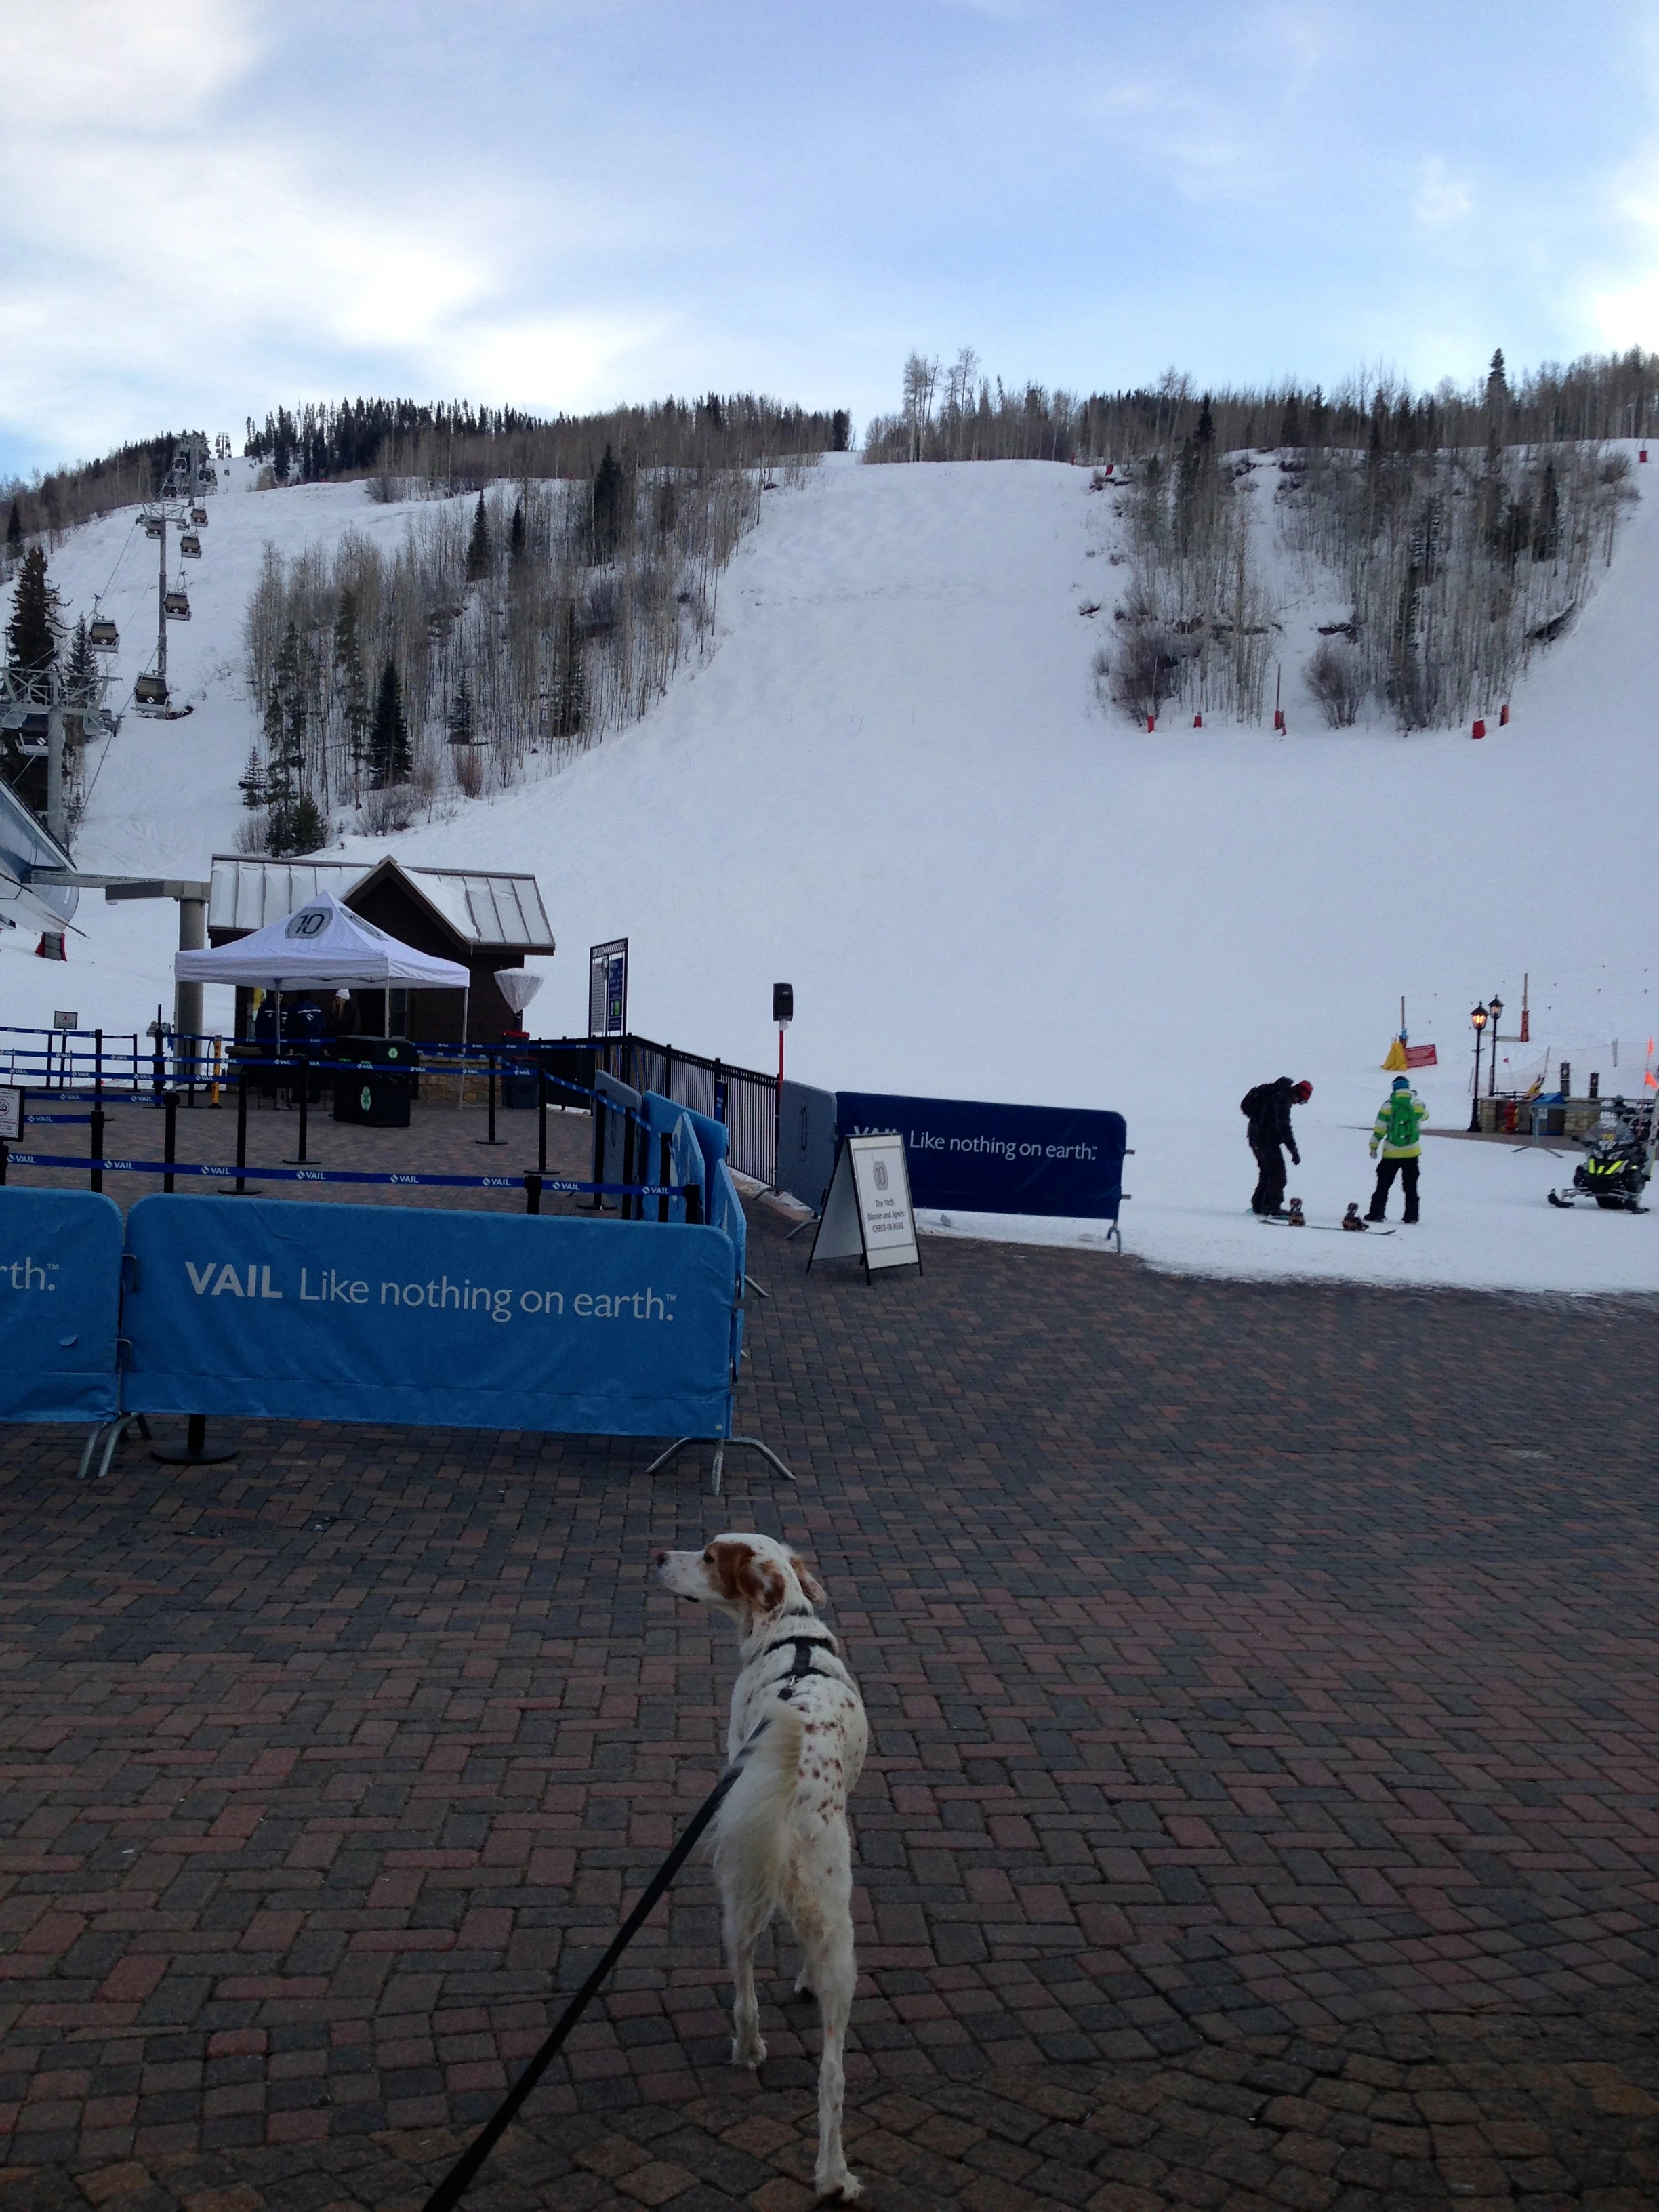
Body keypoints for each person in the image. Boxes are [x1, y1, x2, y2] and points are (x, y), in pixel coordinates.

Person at [1242, 1076, 1313, 1217]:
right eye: (1302, 1101)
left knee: (1267, 1172)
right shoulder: (1282, 1099)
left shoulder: (1277, 1093)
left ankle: (1258, 1205)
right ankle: (1272, 1207)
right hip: (1265, 1139)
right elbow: (1284, 1127)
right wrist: (1293, 1150)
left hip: (1255, 1136)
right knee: (1278, 1175)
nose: (1299, 1103)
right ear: (1298, 1094)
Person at [1368, 1076, 1429, 1223]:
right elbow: (1426, 1116)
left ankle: (1377, 1213)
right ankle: (1411, 1216)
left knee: (1383, 1184)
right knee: (1411, 1186)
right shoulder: (1416, 1104)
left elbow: (1380, 1128)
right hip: (1412, 1152)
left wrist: (1374, 1146)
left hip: (1391, 1153)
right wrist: (1416, 1099)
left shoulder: (1388, 1106)